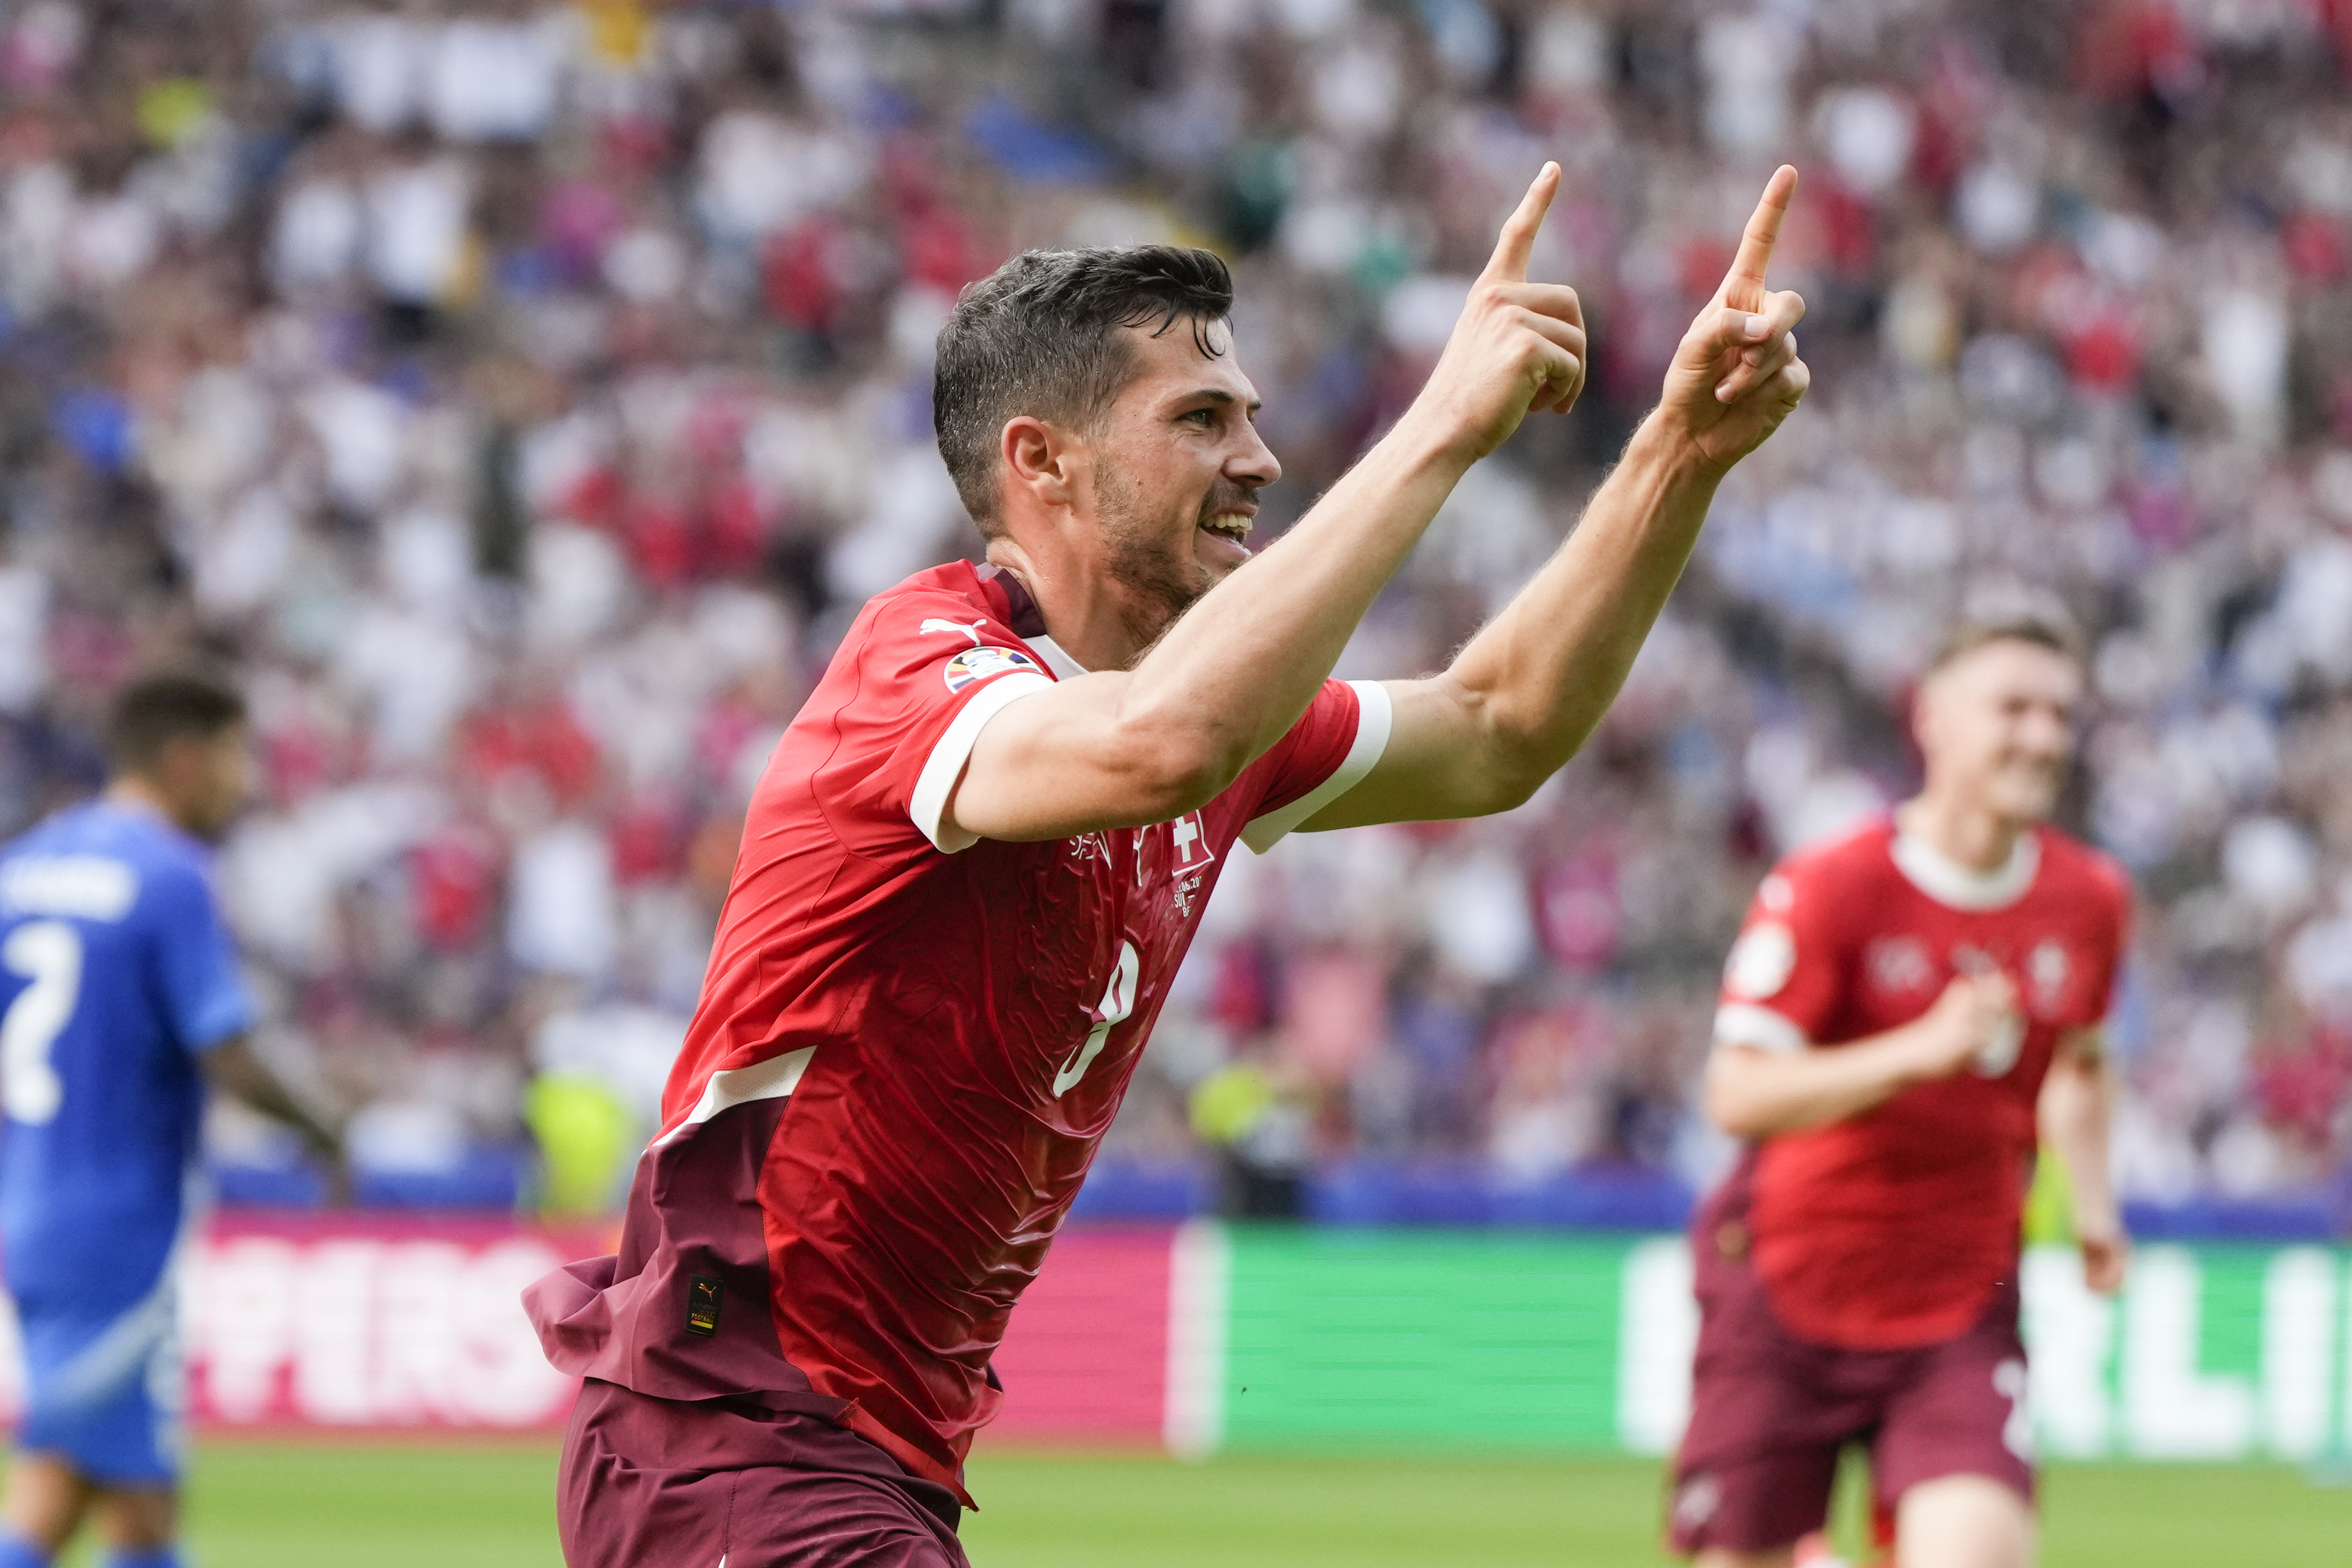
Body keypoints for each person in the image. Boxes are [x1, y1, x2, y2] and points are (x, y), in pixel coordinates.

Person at [527, 162, 1812, 1567]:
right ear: (1043, 464)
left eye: (1251, 418)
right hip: (731, 1430)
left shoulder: (1208, 713)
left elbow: (1500, 726)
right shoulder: (924, 672)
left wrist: (1676, 452)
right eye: (1201, 420)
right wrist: (1441, 422)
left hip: (862, 1456)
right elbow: (1159, 745)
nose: (1256, 458)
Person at [1670, 615, 2133, 1568]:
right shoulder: (1832, 885)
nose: (2044, 736)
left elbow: (2080, 1061)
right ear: (1933, 721)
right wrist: (1916, 1053)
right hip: (1781, 1288)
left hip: (1960, 1305)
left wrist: (2094, 1207)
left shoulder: (2089, 900)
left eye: (2059, 714)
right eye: (2014, 708)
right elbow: (1737, 1094)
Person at [0, 671, 344, 1568]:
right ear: (183, 760)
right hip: (119, 1224)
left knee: (115, 1491)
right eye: (236, 759)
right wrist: (326, 1129)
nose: (246, 782)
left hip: (30, 1212)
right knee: (78, 1491)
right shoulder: (169, 876)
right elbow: (225, 1049)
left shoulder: (21, 869)